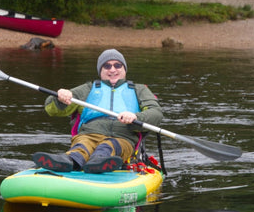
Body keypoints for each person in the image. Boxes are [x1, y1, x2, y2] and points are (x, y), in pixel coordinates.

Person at [32, 49, 163, 174]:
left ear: (124, 69)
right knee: (81, 147)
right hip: (89, 135)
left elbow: (156, 113)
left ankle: (99, 162)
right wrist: (60, 98)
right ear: (100, 70)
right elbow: (51, 109)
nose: (112, 69)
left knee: (108, 146)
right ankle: (69, 160)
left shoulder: (139, 90)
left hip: (123, 138)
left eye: (117, 65)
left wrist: (136, 116)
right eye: (107, 66)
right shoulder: (88, 89)